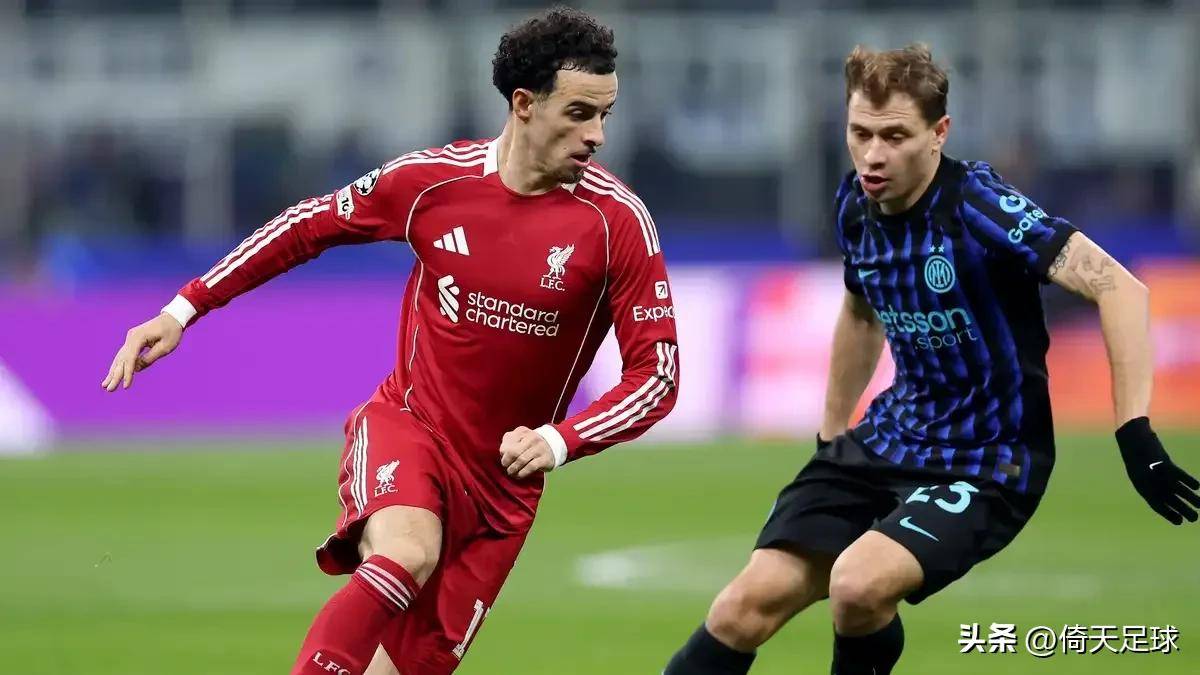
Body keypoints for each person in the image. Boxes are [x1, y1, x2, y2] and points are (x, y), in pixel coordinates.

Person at [102, 8, 679, 675]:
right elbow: (309, 225)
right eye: (578, 113)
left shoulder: (616, 224)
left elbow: (657, 377)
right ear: (524, 104)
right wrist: (185, 307)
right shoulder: (434, 184)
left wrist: (560, 439)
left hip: (503, 492)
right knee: (407, 550)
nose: (597, 134)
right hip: (412, 427)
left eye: (605, 114)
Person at [663, 43, 1198, 675]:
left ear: (939, 133)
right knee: (740, 611)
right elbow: (861, 312)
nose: (873, 154)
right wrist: (831, 436)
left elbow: (1119, 287)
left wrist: (1134, 432)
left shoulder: (977, 205)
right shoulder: (854, 205)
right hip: (890, 439)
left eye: (895, 136)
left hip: (988, 459)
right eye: (860, 133)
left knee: (857, 586)